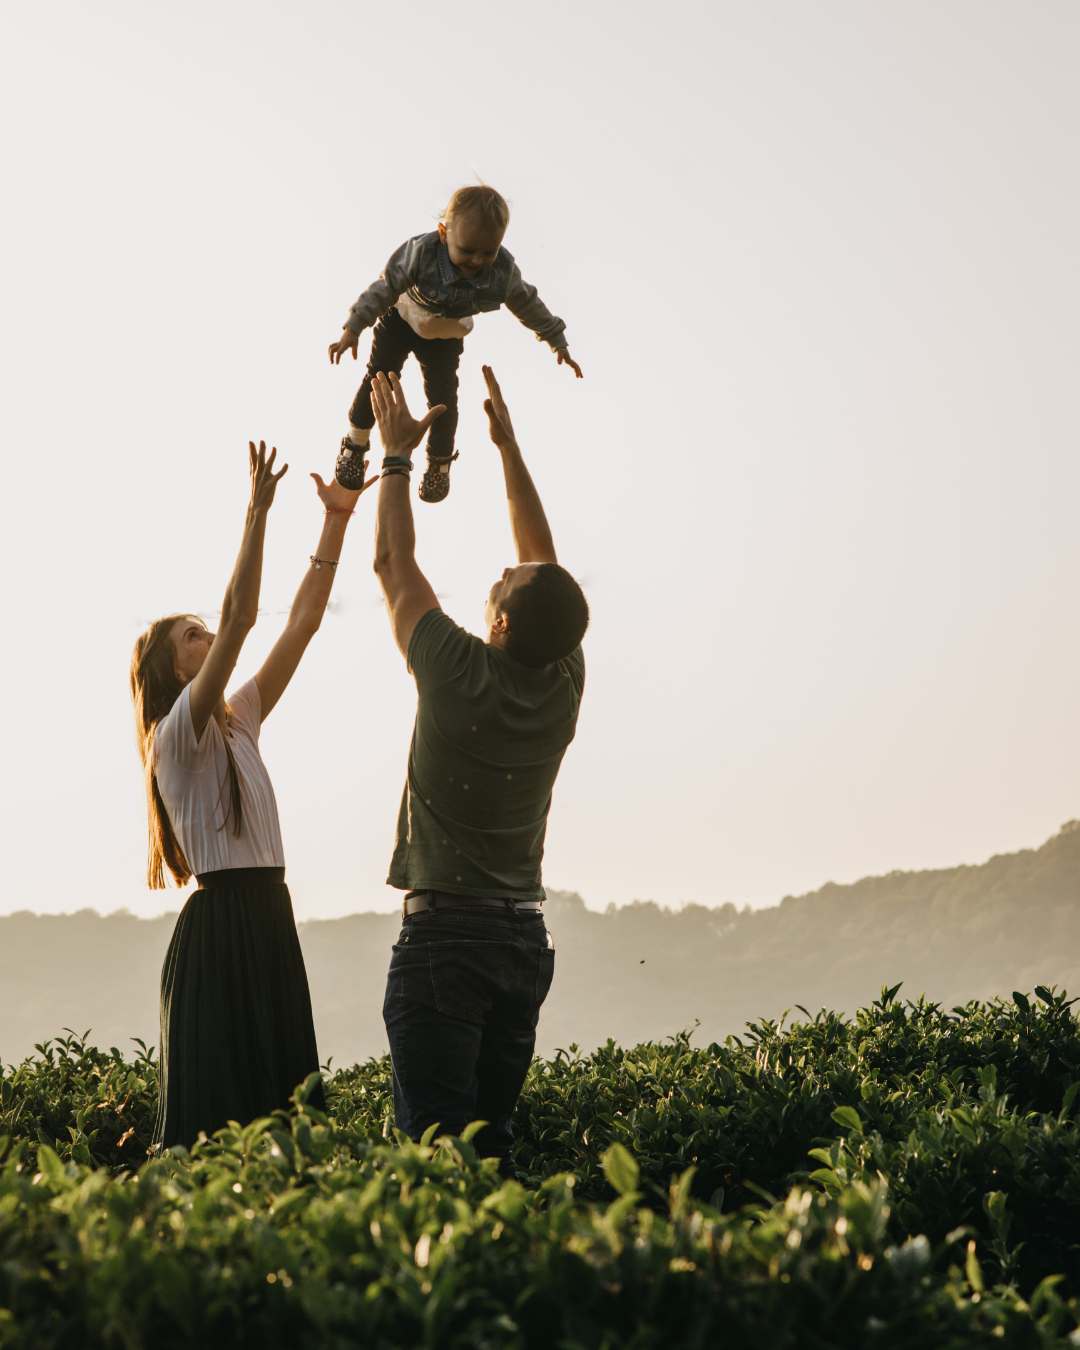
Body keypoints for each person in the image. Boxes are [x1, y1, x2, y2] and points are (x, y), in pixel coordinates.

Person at [368, 365, 589, 1176]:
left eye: (502, 582)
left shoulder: (457, 670)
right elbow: (547, 571)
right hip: (521, 941)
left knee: (433, 1160)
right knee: (491, 1155)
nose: (501, 569)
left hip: (448, 940)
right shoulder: (562, 677)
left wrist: (395, 458)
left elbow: (394, 566)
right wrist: (507, 449)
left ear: (497, 621)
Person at [129, 442, 366, 1150]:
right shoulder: (177, 733)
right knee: (220, 1129)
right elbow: (242, 619)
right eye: (191, 637)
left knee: (287, 1121)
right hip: (222, 930)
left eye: (203, 632)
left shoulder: (239, 721)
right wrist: (257, 514)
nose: (209, 639)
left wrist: (336, 521)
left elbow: (302, 624)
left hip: (267, 917)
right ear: (171, 669)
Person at [327, 184, 582, 504]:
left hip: (445, 336)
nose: (477, 260)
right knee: (380, 378)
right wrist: (354, 327)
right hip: (402, 318)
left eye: (488, 252)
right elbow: (385, 287)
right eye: (468, 250)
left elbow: (528, 303)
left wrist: (556, 341)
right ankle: (355, 442)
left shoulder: (501, 274)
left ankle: (439, 462)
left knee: (443, 398)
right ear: (444, 233)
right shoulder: (421, 252)